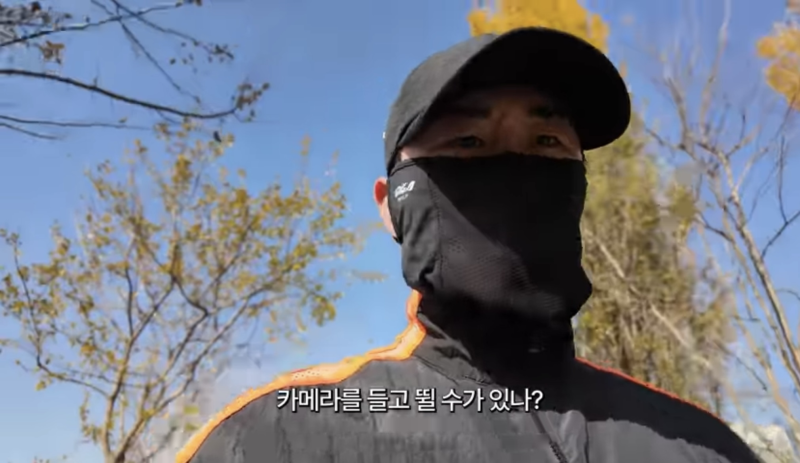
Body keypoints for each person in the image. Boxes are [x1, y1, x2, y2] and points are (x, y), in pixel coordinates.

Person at [176, 27, 760, 463]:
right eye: (469, 141)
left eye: (548, 142)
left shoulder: (700, 446)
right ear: (390, 205)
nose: (517, 168)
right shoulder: (276, 437)